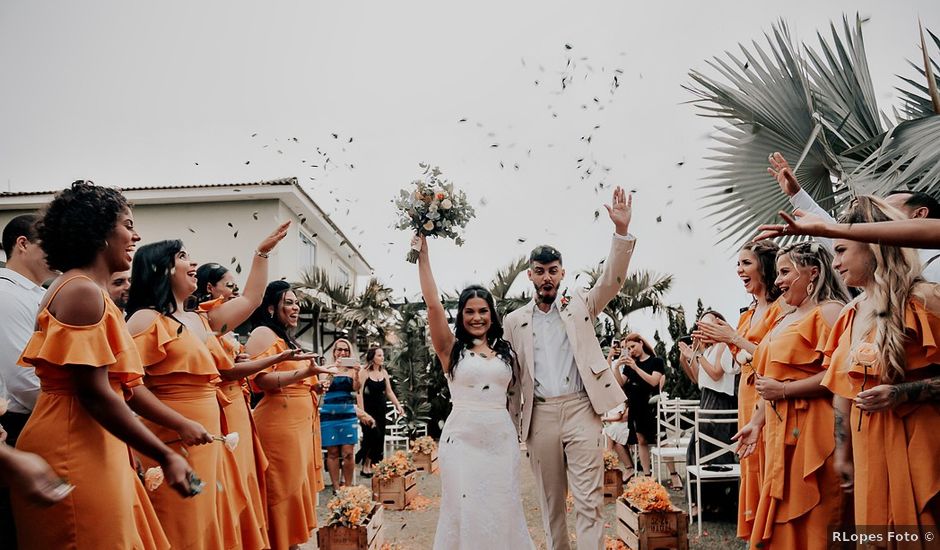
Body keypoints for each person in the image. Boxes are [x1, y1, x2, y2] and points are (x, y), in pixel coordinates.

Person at [13, 181, 195, 550]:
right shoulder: (82, 292)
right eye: (128, 224)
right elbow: (95, 394)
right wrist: (165, 454)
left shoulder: (87, 290)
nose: (136, 235)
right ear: (98, 230)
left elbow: (118, 389)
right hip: (73, 444)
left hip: (89, 438)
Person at [504, 186, 635, 550]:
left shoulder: (580, 305)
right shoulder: (513, 321)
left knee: (590, 501)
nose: (547, 277)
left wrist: (621, 233)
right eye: (539, 271)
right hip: (540, 415)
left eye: (553, 271)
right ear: (529, 275)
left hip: (581, 409)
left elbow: (611, 281)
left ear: (562, 272)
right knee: (551, 505)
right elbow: (509, 376)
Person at [127, 238, 265, 550]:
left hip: (208, 436)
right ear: (161, 268)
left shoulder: (200, 319)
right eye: (183, 256)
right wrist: (180, 423)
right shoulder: (145, 319)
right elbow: (130, 387)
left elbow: (253, 299)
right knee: (180, 524)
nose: (193, 265)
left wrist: (262, 252)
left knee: (205, 519)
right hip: (172, 437)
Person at [821, 196, 940, 536]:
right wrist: (842, 454)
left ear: (874, 247)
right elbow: (842, 391)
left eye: (841, 250)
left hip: (921, 447)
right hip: (867, 451)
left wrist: (904, 393)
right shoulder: (849, 314)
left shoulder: (924, 299)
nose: (836, 263)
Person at [414, 234, 535, 550]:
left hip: (500, 438)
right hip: (461, 440)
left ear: (492, 315)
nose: (477, 317)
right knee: (464, 507)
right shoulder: (449, 349)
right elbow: (432, 303)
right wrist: (424, 257)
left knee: (501, 507)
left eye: (483, 311)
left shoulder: (507, 352)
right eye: (469, 311)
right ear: (462, 316)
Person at [734, 242, 850, 549]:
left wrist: (785, 391)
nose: (777, 281)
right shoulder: (787, 317)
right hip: (780, 431)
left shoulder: (831, 312)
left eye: (785, 272)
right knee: (784, 521)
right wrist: (756, 422)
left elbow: (839, 375)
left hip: (815, 432)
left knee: (816, 519)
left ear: (813, 273)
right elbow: (772, 377)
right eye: (778, 273)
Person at [189, 224, 293, 550]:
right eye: (228, 285)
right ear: (209, 288)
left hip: (239, 406)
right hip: (223, 406)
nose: (234, 291)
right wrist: (261, 254)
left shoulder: (221, 327)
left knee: (246, 478)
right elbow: (227, 369)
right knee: (232, 481)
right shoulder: (203, 321)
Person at [693, 240, 782, 540]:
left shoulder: (781, 310)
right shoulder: (747, 314)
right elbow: (741, 357)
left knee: (771, 464)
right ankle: (757, 535)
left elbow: (775, 357)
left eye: (746, 264)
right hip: (747, 396)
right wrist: (720, 339)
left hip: (769, 397)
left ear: (764, 268)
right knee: (751, 464)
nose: (739, 270)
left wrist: (731, 336)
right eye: (738, 264)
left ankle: (775, 535)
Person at [245, 281, 334, 550]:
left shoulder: (287, 338)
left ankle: (289, 545)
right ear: (271, 307)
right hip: (278, 428)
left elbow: (296, 378)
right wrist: (304, 374)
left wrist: (314, 384)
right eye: (288, 303)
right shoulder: (262, 333)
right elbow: (259, 380)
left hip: (298, 426)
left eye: (297, 303)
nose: (295, 308)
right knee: (280, 493)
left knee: (294, 490)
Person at [768, 152, 940, 281]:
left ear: (919, 214)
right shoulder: (884, 261)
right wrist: (797, 195)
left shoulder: (934, 262)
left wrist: (832, 229)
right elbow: (841, 240)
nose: (879, 216)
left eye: (888, 209)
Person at [0, 214, 57, 548]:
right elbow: (24, 377)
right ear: (22, 244)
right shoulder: (7, 294)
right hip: (19, 422)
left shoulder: (38, 294)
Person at [679, 311, 737, 518]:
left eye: (706, 325)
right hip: (706, 399)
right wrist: (688, 356)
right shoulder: (709, 350)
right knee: (699, 452)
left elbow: (715, 373)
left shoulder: (722, 346)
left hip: (719, 402)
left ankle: (719, 502)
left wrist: (698, 355)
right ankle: (703, 502)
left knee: (716, 453)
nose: (702, 330)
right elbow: (697, 378)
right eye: (700, 326)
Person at [319, 338, 372, 488]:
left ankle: (348, 487)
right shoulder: (326, 368)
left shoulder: (353, 370)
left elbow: (356, 388)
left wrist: (356, 372)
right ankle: (336, 487)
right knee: (333, 452)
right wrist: (333, 370)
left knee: (348, 452)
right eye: (339, 349)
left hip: (347, 412)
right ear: (334, 352)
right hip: (329, 413)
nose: (342, 352)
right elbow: (324, 386)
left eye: (346, 350)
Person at [612, 333, 664, 481]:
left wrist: (635, 368)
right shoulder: (630, 364)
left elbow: (654, 381)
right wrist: (617, 368)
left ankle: (673, 475)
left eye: (633, 346)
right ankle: (647, 475)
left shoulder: (656, 361)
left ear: (641, 343)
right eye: (628, 348)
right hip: (636, 404)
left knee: (661, 440)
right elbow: (621, 383)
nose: (631, 350)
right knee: (641, 440)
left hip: (651, 404)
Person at [356, 346, 404, 477]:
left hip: (381, 409)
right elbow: (358, 393)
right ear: (372, 357)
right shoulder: (364, 372)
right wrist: (362, 413)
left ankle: (370, 464)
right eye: (379, 355)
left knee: (378, 438)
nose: (382, 358)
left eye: (382, 355)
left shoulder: (384, 372)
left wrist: (398, 405)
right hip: (368, 410)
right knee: (370, 436)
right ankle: (363, 463)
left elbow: (389, 391)